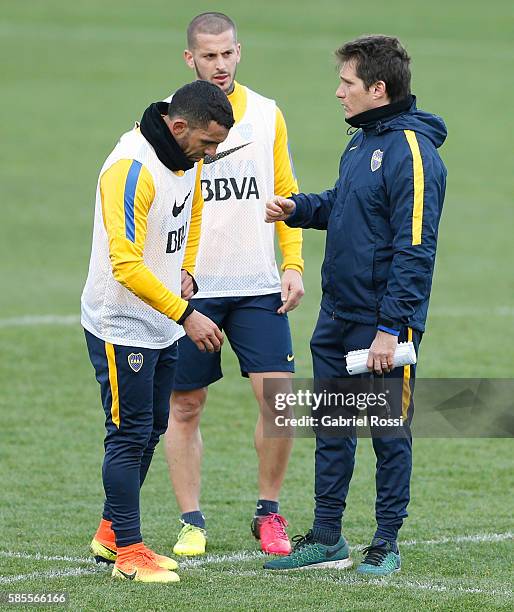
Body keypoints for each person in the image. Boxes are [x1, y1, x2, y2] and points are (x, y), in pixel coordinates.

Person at [264, 35, 447, 574]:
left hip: (381, 327)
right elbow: (345, 206)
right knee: (333, 428)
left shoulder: (412, 154)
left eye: (346, 83)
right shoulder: (362, 141)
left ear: (378, 88)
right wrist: (297, 208)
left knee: (389, 433)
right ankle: (327, 536)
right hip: (337, 317)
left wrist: (392, 329)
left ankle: (386, 542)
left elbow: (415, 252)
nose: (338, 92)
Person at [81, 80, 234, 583]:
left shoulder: (185, 160)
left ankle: (110, 533)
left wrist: (185, 272)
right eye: (208, 143)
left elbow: (190, 216)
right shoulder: (131, 167)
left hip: (162, 318)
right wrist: (186, 314)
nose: (212, 155)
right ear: (179, 126)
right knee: (127, 436)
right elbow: (125, 263)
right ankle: (129, 552)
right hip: (120, 320)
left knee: (152, 429)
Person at [163, 12, 304, 557]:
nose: (219, 65)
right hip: (192, 289)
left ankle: (269, 512)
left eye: (228, 54)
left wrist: (291, 264)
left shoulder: (267, 115)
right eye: (208, 56)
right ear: (189, 59)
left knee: (279, 402)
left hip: (258, 284)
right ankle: (190, 521)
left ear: (238, 52)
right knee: (186, 406)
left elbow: (286, 193)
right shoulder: (169, 121)